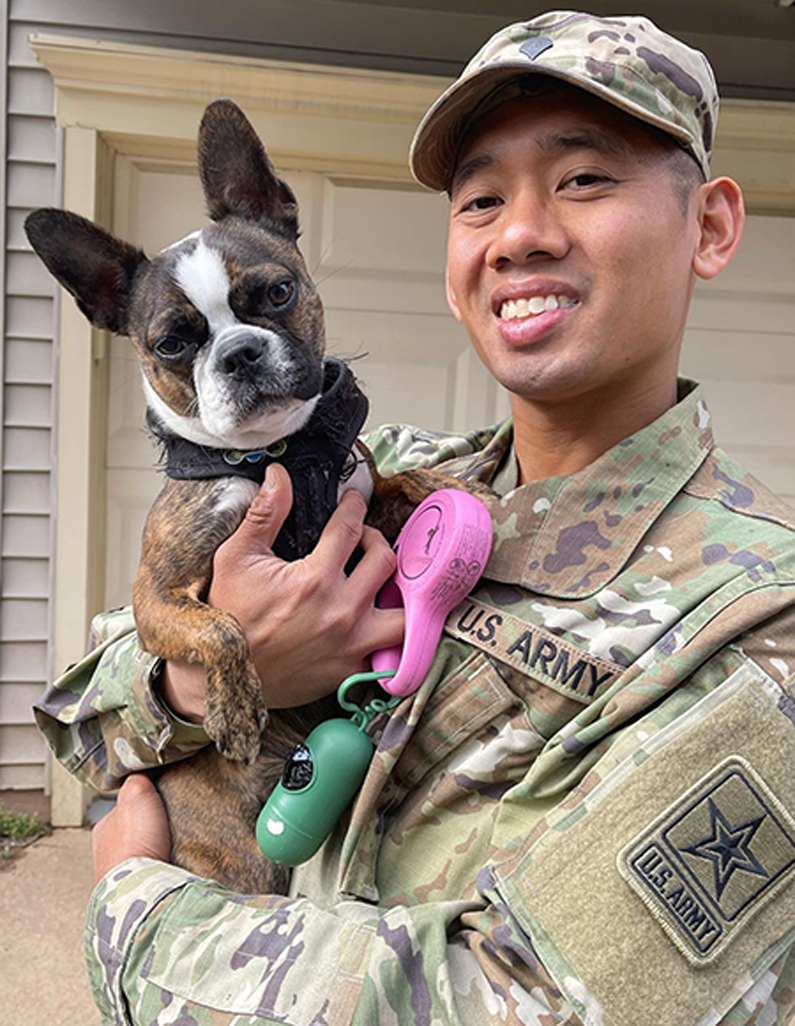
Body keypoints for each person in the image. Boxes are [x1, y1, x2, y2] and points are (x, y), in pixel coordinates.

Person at [36, 11, 795, 1026]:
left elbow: (522, 1004)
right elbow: (82, 721)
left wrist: (135, 910)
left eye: (583, 179)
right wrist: (204, 671)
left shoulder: (761, 624)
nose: (521, 232)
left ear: (707, 225)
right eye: (481, 198)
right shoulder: (375, 476)